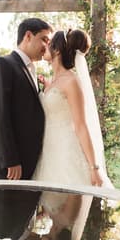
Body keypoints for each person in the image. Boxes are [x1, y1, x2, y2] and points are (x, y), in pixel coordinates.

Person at [32, 29, 112, 188]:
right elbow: (58, 105)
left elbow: (81, 125)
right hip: (48, 152)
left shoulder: (71, 81)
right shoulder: (54, 81)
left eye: (49, 42)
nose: (45, 45)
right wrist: (48, 88)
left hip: (66, 153)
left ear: (58, 49)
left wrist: (94, 168)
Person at [0, 18, 52, 180]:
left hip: (29, 163)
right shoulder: (3, 64)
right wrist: (10, 159)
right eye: (44, 39)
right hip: (9, 166)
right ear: (28, 36)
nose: (46, 46)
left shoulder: (31, 70)